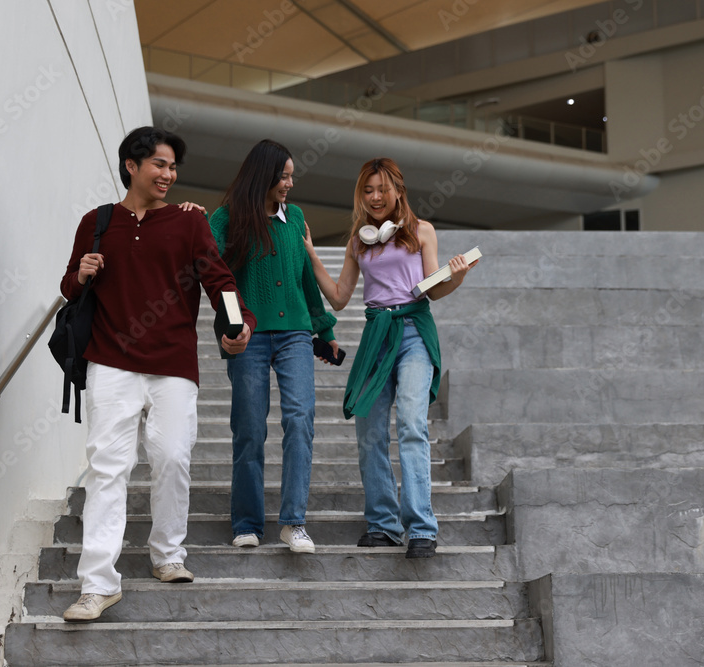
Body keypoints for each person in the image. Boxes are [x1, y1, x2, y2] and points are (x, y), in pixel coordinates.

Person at [59, 126, 256, 622]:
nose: (168, 175)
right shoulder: (97, 221)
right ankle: (97, 584)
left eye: (173, 167)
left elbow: (219, 279)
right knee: (108, 468)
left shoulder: (189, 222)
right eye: (159, 165)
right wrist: (81, 274)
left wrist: (239, 323)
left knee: (172, 457)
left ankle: (168, 554)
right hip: (110, 361)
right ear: (132, 166)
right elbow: (69, 287)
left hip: (173, 364)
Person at [303, 157, 475, 559]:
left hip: (414, 330)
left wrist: (457, 275)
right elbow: (340, 298)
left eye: (382, 189)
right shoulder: (358, 240)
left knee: (412, 423)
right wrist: (311, 254)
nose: (375, 197)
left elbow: (432, 290)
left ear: (399, 191)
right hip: (376, 335)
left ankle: (422, 529)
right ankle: (383, 525)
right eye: (368, 190)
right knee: (369, 432)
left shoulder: (421, 231)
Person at [208, 139, 339, 554]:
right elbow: (214, 276)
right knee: (249, 426)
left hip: (295, 333)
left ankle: (293, 522)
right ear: (262, 175)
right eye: (283, 176)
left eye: (291, 176)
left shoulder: (295, 217)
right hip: (248, 335)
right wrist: (230, 327)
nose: (290, 183)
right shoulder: (226, 218)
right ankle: (247, 522)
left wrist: (324, 330)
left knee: (300, 418)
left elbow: (305, 280)